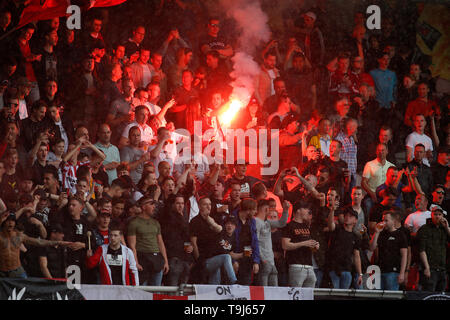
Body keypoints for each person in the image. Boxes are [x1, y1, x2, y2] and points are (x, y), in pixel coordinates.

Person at [0, 213, 70, 278]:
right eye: (7, 220)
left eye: (12, 221)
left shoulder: (19, 236)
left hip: (16, 270)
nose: (10, 223)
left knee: (26, 288)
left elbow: (39, 242)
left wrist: (58, 242)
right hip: (2, 271)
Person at [189, 197, 237, 285]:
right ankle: (233, 282)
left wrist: (210, 221)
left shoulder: (212, 219)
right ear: (199, 207)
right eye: (205, 204)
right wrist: (199, 262)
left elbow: (220, 229)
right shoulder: (195, 221)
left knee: (214, 286)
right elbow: (194, 243)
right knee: (226, 257)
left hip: (214, 258)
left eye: (210, 204)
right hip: (204, 260)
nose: (208, 207)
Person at [127, 196, 169, 286]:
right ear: (143, 207)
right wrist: (136, 262)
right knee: (143, 291)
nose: (154, 207)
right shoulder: (134, 223)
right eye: (151, 204)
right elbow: (132, 246)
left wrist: (165, 261)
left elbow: (160, 243)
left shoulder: (156, 223)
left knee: (156, 291)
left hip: (157, 258)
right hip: (142, 258)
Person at [281, 201, 319, 288]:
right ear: (298, 211)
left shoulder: (306, 226)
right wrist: (303, 243)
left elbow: (308, 246)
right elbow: (285, 245)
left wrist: (315, 246)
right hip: (296, 265)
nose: (308, 211)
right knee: (295, 293)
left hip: (309, 266)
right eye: (305, 209)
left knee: (309, 295)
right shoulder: (289, 226)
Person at [369, 210, 408, 290]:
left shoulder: (400, 234)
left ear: (393, 221)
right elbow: (372, 248)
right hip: (380, 270)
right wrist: (376, 233)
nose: (384, 222)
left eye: (386, 220)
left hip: (393, 271)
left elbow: (404, 255)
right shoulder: (381, 234)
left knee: (391, 296)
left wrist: (402, 273)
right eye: (383, 220)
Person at [255, 199, 290, 286]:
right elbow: (255, 242)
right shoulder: (255, 221)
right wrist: (262, 259)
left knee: (274, 291)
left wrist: (285, 210)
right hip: (264, 261)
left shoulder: (267, 222)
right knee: (264, 291)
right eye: (269, 209)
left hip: (271, 262)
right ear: (266, 209)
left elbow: (281, 223)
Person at [327, 206, 363, 289]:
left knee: (343, 295)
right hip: (333, 268)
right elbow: (330, 225)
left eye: (350, 216)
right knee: (334, 295)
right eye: (346, 215)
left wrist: (360, 274)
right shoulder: (337, 229)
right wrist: (332, 210)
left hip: (347, 269)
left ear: (355, 220)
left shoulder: (355, 236)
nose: (347, 217)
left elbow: (356, 256)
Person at [417, 206, 450, 292]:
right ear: (431, 215)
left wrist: (447, 227)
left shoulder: (444, 229)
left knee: (440, 295)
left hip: (442, 269)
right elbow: (422, 249)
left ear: (443, 216)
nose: (437, 216)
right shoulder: (424, 228)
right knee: (429, 294)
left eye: (439, 214)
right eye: (435, 214)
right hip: (430, 268)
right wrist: (426, 268)